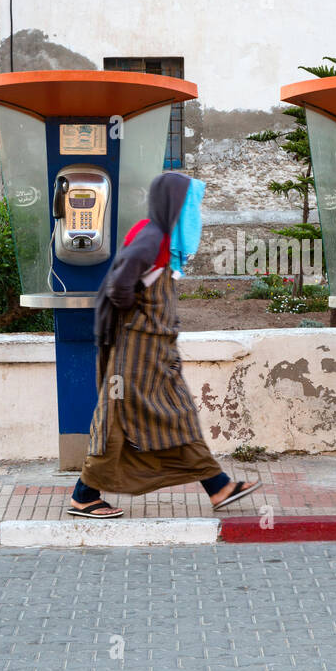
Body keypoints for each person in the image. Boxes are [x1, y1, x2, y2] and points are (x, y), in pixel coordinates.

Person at [68, 171, 261, 519]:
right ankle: (84, 495)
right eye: (192, 203)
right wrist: (138, 320)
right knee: (114, 418)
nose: (195, 211)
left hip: (158, 352)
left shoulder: (163, 241)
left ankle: (219, 488)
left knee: (180, 416)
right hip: (134, 352)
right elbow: (118, 286)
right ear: (175, 203)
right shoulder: (153, 237)